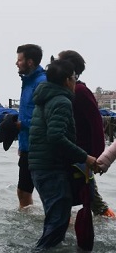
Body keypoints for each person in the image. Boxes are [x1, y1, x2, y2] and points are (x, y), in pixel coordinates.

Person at [28, 59, 97, 251]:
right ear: (67, 80)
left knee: (55, 218)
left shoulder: (45, 97)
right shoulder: (61, 101)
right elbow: (56, 137)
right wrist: (86, 157)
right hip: (50, 168)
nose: (76, 81)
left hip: (40, 167)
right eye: (75, 77)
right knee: (58, 221)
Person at [58, 50, 114, 218]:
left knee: (89, 197)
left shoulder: (81, 91)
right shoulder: (66, 92)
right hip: (73, 155)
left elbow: (96, 125)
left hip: (81, 156)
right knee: (83, 196)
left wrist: (96, 156)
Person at [14, 44, 47, 208]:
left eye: (20, 60)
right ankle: (25, 228)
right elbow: (27, 112)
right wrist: (22, 144)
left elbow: (43, 118)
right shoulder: (27, 82)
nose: (16, 63)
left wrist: (20, 125)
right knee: (23, 192)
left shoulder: (41, 83)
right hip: (28, 146)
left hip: (39, 148)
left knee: (47, 194)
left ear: (30, 62)